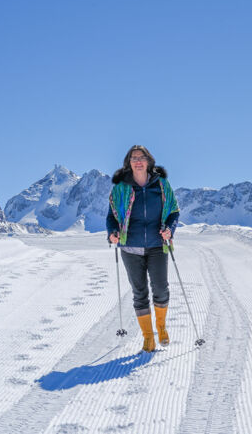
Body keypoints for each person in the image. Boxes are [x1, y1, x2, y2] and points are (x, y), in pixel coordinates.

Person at [106, 145, 180, 353]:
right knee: (139, 293)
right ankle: (148, 337)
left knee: (161, 288)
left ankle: (161, 328)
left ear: (149, 161)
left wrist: (170, 230)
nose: (138, 161)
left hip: (157, 245)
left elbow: (173, 212)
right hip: (130, 247)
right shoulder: (121, 187)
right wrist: (112, 232)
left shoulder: (162, 185)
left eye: (142, 157)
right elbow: (112, 215)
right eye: (133, 158)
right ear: (128, 162)